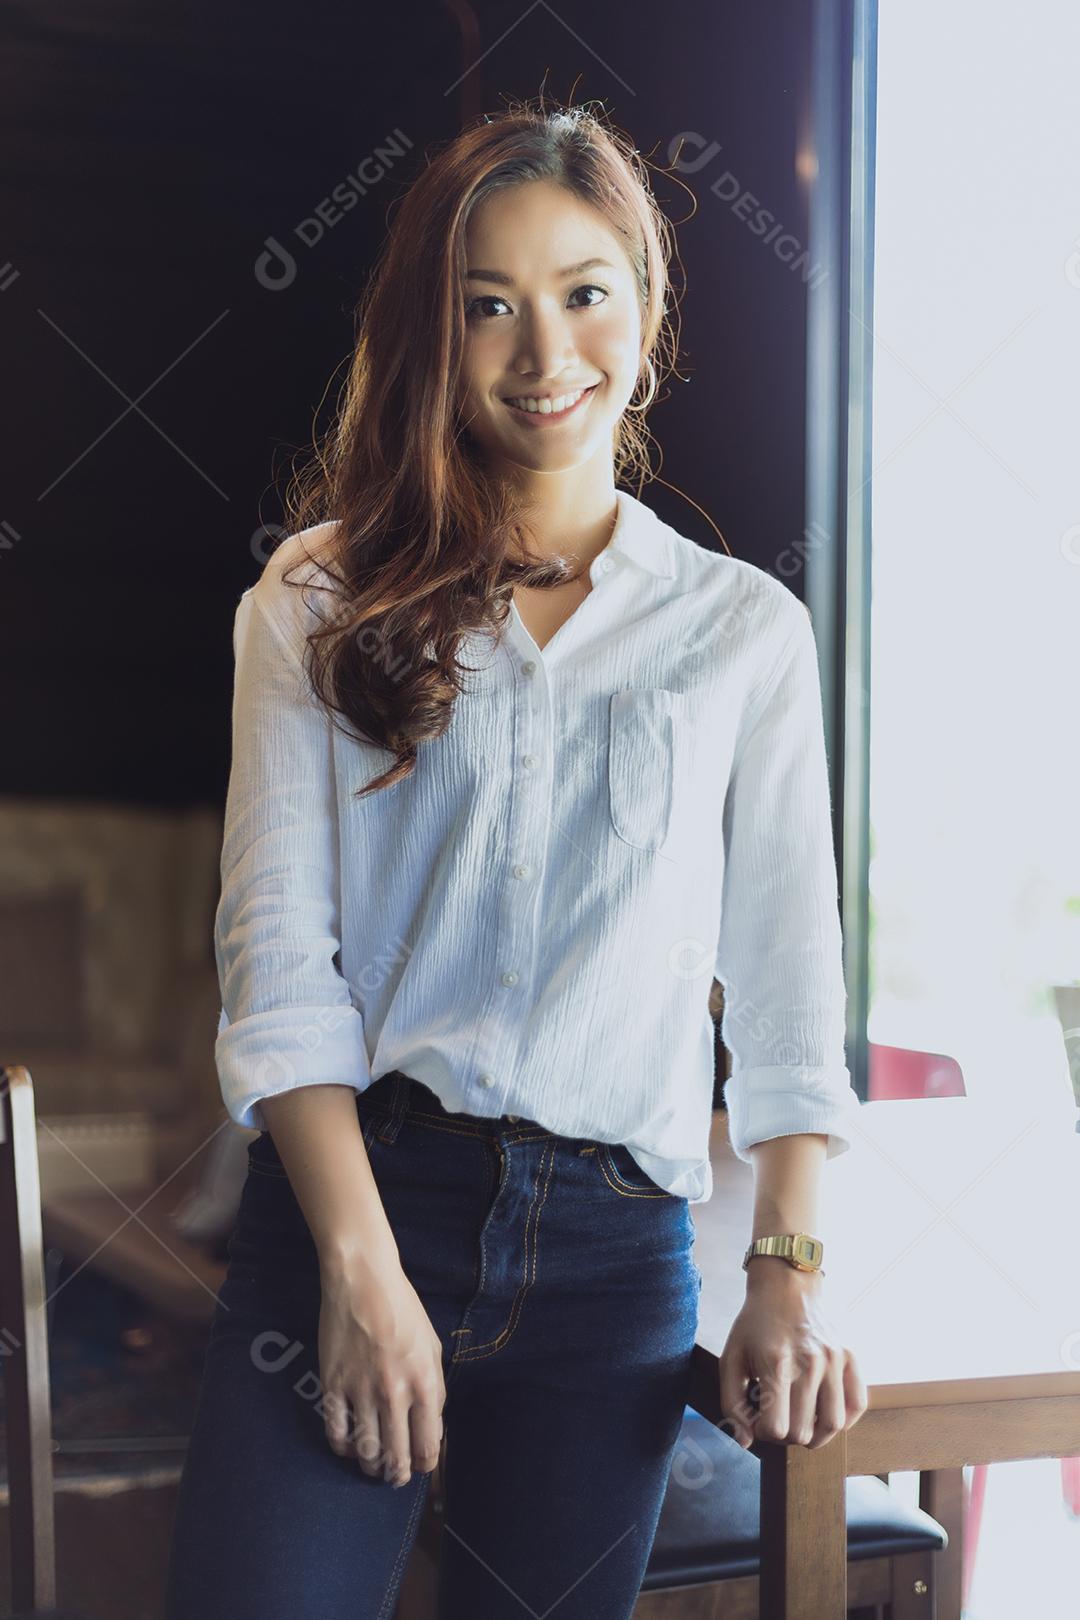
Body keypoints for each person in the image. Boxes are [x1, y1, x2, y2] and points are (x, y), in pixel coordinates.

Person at [164, 97, 867, 1620]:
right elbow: (281, 974)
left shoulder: (746, 635)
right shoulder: (314, 599)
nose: (546, 354)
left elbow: (793, 1001)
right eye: (490, 305)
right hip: (356, 1210)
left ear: (646, 304)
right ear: (436, 329)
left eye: (583, 292)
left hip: (614, 1265)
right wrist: (357, 1274)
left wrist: (786, 1275)